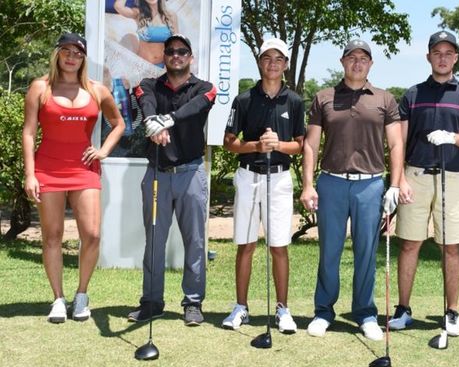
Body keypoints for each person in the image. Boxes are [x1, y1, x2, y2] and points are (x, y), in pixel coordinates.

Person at [300, 39, 403, 341]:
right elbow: (310, 144)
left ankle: (365, 313)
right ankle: (323, 312)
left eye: (363, 58)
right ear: (342, 61)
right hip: (331, 182)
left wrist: (394, 186)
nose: (357, 63)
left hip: (370, 185)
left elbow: (396, 144)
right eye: (351, 58)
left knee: (366, 253)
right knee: (329, 251)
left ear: (370, 64)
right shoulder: (324, 98)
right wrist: (307, 184)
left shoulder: (385, 99)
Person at [389, 31, 459, 337]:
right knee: (409, 244)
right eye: (437, 52)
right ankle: (404, 309)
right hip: (415, 177)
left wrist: (454, 138)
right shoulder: (413, 94)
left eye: (449, 53)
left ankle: (452, 312)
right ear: (429, 56)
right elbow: (399, 141)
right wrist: (398, 179)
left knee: (451, 248)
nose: (443, 57)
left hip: (453, 179)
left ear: (456, 57)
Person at [22, 33, 125, 323]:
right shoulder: (40, 88)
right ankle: (57, 298)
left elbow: (118, 123)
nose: (71, 57)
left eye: (77, 53)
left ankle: (81, 295)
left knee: (91, 234)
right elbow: (29, 132)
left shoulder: (96, 90)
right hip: (48, 169)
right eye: (66, 51)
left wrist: (103, 150)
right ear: (57, 54)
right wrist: (30, 174)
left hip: (84, 169)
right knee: (52, 236)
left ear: (84, 58)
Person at [127, 34, 217, 326]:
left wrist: (170, 119)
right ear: (164, 56)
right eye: (171, 51)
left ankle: (192, 302)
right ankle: (152, 301)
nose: (176, 55)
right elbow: (145, 100)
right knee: (154, 241)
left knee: (195, 242)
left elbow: (198, 107)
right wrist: (154, 121)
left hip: (190, 173)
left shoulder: (204, 88)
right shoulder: (150, 84)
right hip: (157, 174)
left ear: (190, 57)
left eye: (182, 51)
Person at [221, 38, 305, 334]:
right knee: (245, 246)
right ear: (259, 62)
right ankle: (241, 307)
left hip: (279, 178)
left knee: (278, 246)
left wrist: (278, 144)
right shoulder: (244, 99)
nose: (272, 63)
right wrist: (256, 145)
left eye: (278, 59)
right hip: (248, 176)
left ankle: (283, 309)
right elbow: (229, 142)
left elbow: (300, 145)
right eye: (267, 58)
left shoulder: (294, 101)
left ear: (285, 64)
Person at [114, 0, 178, 67]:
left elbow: (177, 43)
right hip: (142, 66)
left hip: (163, 67)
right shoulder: (138, 13)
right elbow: (118, 6)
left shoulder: (170, 16)